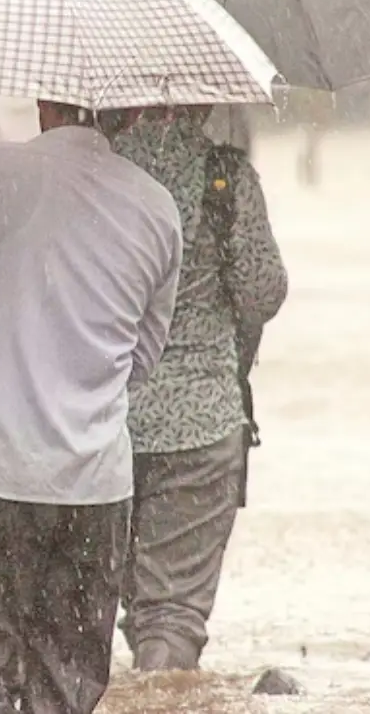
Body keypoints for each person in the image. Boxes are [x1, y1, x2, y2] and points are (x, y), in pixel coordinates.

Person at [0, 103, 184, 714]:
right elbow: (141, 361)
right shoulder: (157, 207)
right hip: (94, 490)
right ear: (126, 116)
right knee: (64, 687)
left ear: (44, 100)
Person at [112, 107, 288, 672]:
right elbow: (263, 291)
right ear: (206, 99)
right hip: (202, 422)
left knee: (95, 602)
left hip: (97, 420)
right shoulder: (224, 176)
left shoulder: (102, 169)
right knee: (172, 611)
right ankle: (160, 693)